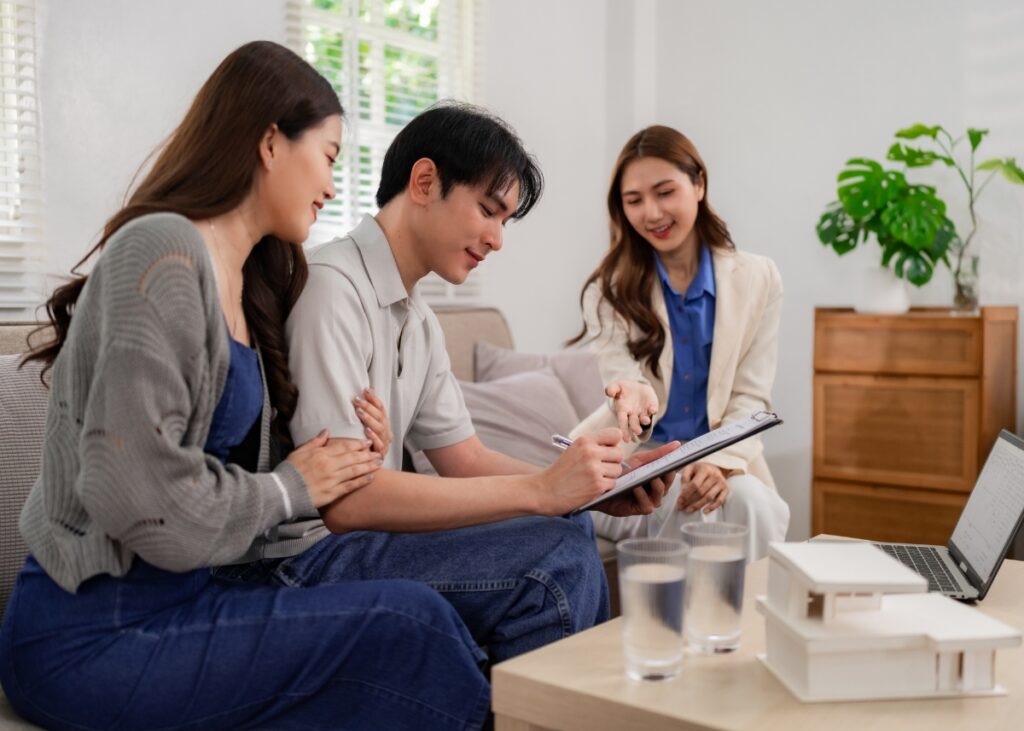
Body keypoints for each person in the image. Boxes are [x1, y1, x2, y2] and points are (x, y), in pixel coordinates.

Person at [0, 41, 494, 730]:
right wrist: (293, 485)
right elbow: (133, 490)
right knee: (410, 624)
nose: (331, 186)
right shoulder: (163, 250)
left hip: (192, 599)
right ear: (269, 142)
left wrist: (350, 457)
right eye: (326, 157)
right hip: (89, 630)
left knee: (416, 631)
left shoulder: (254, 280)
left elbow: (235, 481)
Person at [219, 103, 681, 668]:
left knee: (573, 525)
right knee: (552, 562)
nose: (496, 239)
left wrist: (586, 487)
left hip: (352, 544)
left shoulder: (417, 320)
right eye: (488, 210)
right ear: (424, 181)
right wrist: (541, 492)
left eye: (505, 221)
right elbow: (344, 501)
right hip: (300, 558)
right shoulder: (333, 288)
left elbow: (463, 457)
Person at [567, 125, 790, 559]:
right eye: (634, 201)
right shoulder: (608, 291)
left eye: (665, 192)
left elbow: (751, 396)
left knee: (747, 499)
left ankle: (743, 623)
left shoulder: (759, 278)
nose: (651, 213)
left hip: (727, 455)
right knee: (696, 505)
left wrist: (719, 461)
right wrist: (636, 401)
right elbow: (626, 389)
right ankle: (686, 624)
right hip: (645, 461)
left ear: (699, 184)